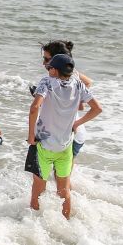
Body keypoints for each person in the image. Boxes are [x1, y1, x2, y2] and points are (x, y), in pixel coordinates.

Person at [28, 53, 102, 219]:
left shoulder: (46, 82)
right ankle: (66, 221)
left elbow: (34, 108)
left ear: (54, 70)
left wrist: (31, 135)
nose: (47, 70)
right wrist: (77, 123)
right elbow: (97, 108)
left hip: (43, 146)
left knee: (37, 189)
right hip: (65, 146)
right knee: (64, 190)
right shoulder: (77, 83)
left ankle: (32, 223)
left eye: (49, 67)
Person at [41, 41, 92, 156]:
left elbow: (87, 104)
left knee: (61, 173)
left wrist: (76, 123)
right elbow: (88, 82)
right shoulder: (70, 74)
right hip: (63, 135)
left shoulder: (71, 77)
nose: (43, 63)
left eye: (46, 59)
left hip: (71, 136)